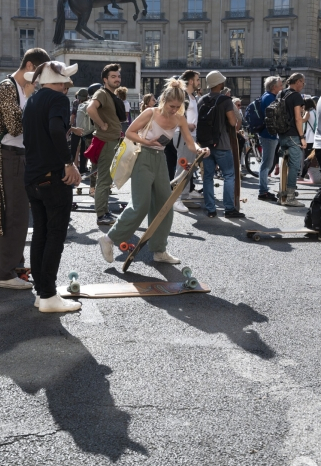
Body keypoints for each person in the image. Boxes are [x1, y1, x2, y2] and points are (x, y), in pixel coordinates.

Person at [97, 78, 209, 264]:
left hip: (160, 160)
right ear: (164, 100)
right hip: (143, 157)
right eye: (172, 106)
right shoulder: (151, 112)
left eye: (178, 106)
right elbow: (130, 132)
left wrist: (200, 150)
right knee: (140, 205)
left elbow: (190, 142)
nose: (174, 110)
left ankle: (159, 250)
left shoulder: (179, 118)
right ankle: (108, 239)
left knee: (165, 205)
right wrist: (147, 141)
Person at [0, 47, 50, 289]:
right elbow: (14, 126)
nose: (40, 81)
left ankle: (17, 268)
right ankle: (5, 274)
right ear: (30, 66)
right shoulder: (7, 87)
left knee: (21, 217)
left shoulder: (21, 88)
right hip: (10, 157)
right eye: (40, 74)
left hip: (21, 156)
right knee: (13, 217)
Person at [23, 61, 82, 313]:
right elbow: (56, 129)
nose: (68, 85)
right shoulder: (57, 99)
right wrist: (69, 163)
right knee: (55, 234)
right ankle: (47, 295)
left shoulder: (33, 99)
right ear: (59, 81)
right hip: (53, 175)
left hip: (32, 175)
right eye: (66, 80)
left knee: (41, 233)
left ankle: (41, 293)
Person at [199, 70, 245, 218]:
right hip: (222, 143)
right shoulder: (225, 101)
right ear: (220, 84)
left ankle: (210, 209)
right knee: (229, 175)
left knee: (208, 177)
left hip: (205, 144)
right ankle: (229, 208)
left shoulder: (202, 100)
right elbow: (232, 122)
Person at [87, 63, 123, 225]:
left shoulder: (111, 95)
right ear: (105, 79)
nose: (117, 79)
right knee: (104, 180)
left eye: (118, 76)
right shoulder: (102, 93)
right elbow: (90, 109)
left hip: (113, 141)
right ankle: (101, 215)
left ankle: (105, 212)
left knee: (106, 180)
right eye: (113, 77)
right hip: (106, 142)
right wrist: (101, 124)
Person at [173, 70, 203, 213]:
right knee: (183, 166)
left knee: (189, 167)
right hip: (183, 134)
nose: (199, 82)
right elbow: (175, 112)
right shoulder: (182, 94)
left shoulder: (192, 96)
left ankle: (184, 195)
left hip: (192, 135)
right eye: (197, 79)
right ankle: (176, 199)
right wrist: (186, 124)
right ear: (191, 81)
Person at [278, 73, 307, 207]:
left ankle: (282, 194)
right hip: (293, 134)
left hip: (282, 134)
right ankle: (290, 196)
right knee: (294, 165)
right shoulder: (296, 96)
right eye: (303, 82)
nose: (303, 85)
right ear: (298, 81)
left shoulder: (281, 93)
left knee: (284, 164)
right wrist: (302, 137)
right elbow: (297, 119)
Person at [257, 76, 283, 201]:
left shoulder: (268, 97)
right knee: (266, 163)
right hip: (268, 135)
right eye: (280, 85)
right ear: (274, 87)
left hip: (268, 134)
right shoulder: (269, 98)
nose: (282, 87)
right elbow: (274, 116)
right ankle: (263, 191)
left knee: (267, 163)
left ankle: (264, 189)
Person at [300, 97, 317, 179]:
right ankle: (305, 174)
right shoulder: (315, 111)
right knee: (311, 157)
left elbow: (303, 120)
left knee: (307, 158)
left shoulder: (308, 112)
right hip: (315, 138)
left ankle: (302, 175)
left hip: (310, 138)